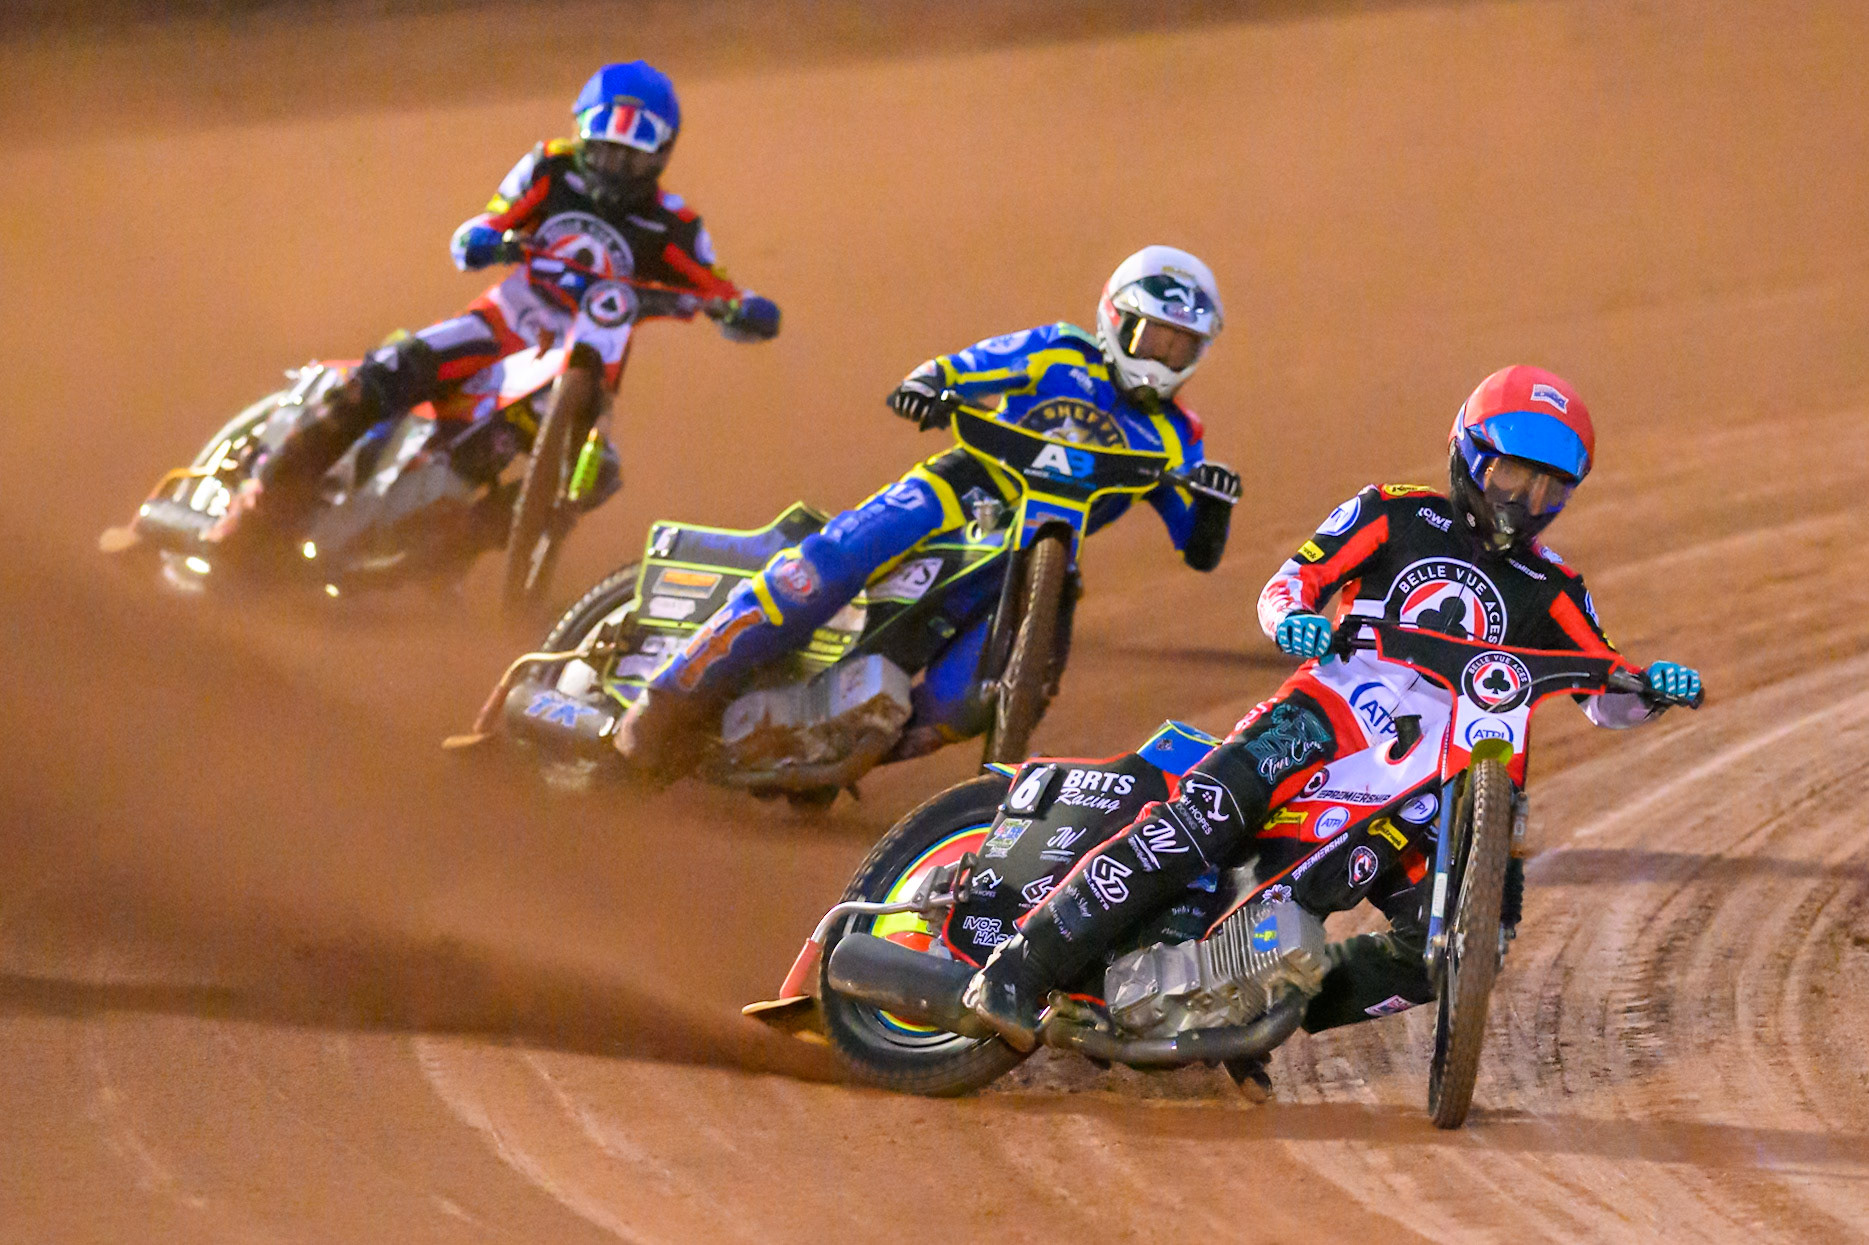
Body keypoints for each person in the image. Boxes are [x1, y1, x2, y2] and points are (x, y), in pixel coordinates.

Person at [963, 364, 1707, 1084]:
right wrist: (1291, 619)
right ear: (1468, 453)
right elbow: (1295, 579)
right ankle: (1019, 969)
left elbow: (1604, 688)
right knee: (1199, 821)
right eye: (1513, 474)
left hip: (1438, 787)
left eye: (1549, 485)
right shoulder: (1395, 511)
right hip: (1324, 715)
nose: (1527, 497)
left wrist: (1650, 690)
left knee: (1448, 950)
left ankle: (1239, 1010)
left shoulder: (1553, 585)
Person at [615, 245, 1244, 778]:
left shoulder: (1176, 434)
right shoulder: (1060, 352)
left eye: (1182, 347)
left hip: (1035, 561)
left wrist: (1212, 508)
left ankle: (832, 749)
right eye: (1155, 337)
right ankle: (667, 695)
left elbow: (1197, 546)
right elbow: (967, 367)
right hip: (962, 491)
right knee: (830, 565)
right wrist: (927, 388)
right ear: (1116, 319)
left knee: (959, 704)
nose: (1164, 358)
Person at [206, 60, 779, 553]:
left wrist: (745, 311)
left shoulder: (673, 225)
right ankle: (255, 511)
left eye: (629, 161)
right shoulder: (550, 169)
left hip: (584, 369)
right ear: (582, 138)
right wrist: (483, 240)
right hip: (500, 326)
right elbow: (487, 223)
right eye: (604, 152)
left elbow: (720, 290)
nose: (613, 170)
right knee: (390, 370)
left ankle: (449, 551)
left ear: (659, 159)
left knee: (597, 477)